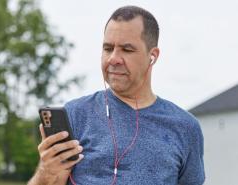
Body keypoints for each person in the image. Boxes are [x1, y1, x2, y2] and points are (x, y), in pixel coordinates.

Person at [28, 5, 205, 185]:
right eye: (107, 48)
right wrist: (45, 173)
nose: (113, 58)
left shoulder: (185, 128)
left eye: (126, 50)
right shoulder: (75, 115)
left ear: (152, 56)